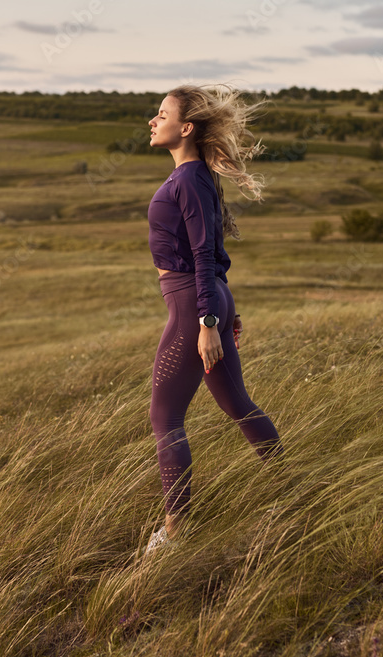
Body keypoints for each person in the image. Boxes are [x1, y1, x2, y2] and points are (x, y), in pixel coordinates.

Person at [145, 83, 283, 555]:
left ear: (185, 127)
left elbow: (205, 252)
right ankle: (292, 486)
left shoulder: (186, 180)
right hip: (207, 301)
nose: (152, 120)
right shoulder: (196, 177)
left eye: (161, 114)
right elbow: (214, 253)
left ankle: (176, 533)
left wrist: (207, 320)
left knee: (165, 417)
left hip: (192, 305)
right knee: (237, 403)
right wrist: (224, 308)